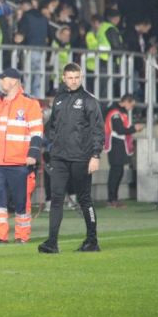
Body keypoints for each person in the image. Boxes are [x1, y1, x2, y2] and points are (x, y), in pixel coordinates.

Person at [39, 63, 103, 253]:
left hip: (81, 158)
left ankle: (92, 240)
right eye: (70, 77)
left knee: (84, 199)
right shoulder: (59, 99)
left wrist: (96, 155)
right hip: (59, 157)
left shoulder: (89, 101)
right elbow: (51, 126)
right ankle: (52, 242)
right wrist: (47, 144)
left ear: (81, 77)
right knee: (57, 198)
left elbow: (98, 130)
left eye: (77, 77)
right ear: (64, 78)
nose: (74, 81)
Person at [0, 67, 44, 244]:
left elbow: (37, 132)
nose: (0, 82)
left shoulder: (30, 103)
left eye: (3, 79)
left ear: (14, 81)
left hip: (21, 162)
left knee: (21, 202)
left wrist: (33, 154)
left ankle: (22, 236)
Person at [104, 93, 141, 207]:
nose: (131, 108)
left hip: (119, 145)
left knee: (118, 172)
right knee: (115, 172)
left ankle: (114, 198)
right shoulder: (115, 112)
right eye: (132, 105)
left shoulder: (119, 112)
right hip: (115, 144)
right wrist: (134, 128)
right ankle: (111, 199)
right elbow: (119, 130)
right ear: (126, 102)